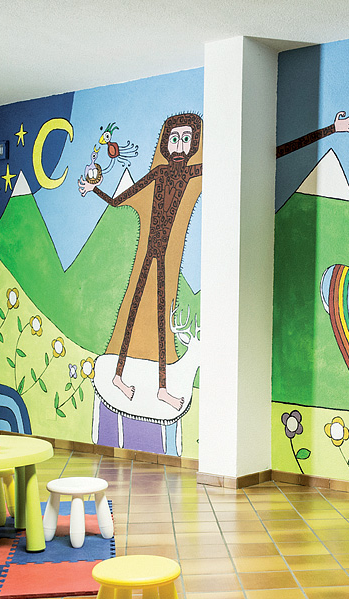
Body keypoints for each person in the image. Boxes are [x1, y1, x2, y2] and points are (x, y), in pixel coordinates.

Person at [78, 113, 203, 411]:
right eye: (174, 139)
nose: (179, 146)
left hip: (163, 253)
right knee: (133, 311)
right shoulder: (159, 173)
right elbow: (121, 198)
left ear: (194, 144)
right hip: (151, 250)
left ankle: (162, 388)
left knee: (161, 317)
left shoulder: (193, 173)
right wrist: (94, 189)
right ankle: (119, 376)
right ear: (165, 142)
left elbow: (230, 161)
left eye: (186, 139)